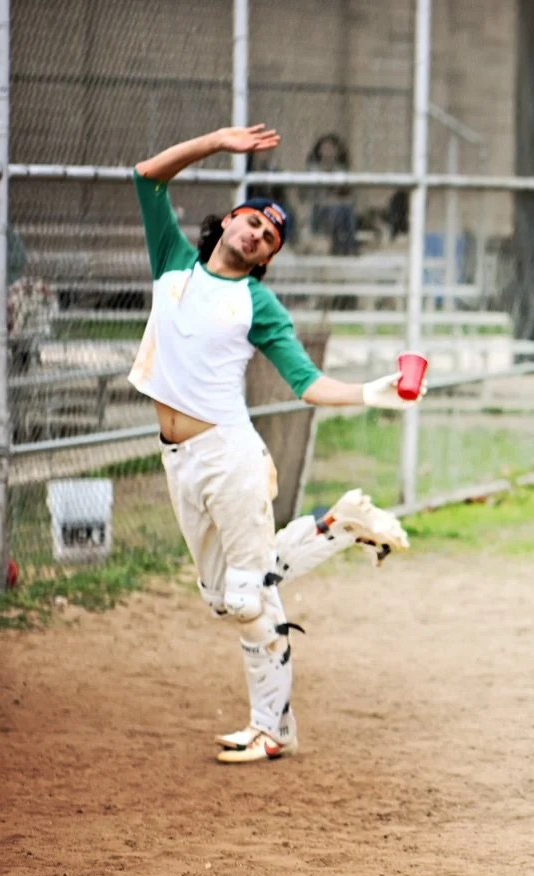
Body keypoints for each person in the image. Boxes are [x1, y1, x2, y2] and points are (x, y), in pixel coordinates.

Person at [131, 124, 426, 764]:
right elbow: (147, 175)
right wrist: (214, 143)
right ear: (227, 221)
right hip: (178, 459)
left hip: (229, 455)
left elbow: (309, 384)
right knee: (223, 597)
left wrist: (378, 392)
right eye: (251, 222)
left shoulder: (257, 303)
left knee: (247, 599)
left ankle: (273, 727)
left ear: (266, 260)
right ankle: (338, 526)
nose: (257, 234)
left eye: (269, 238)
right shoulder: (173, 264)